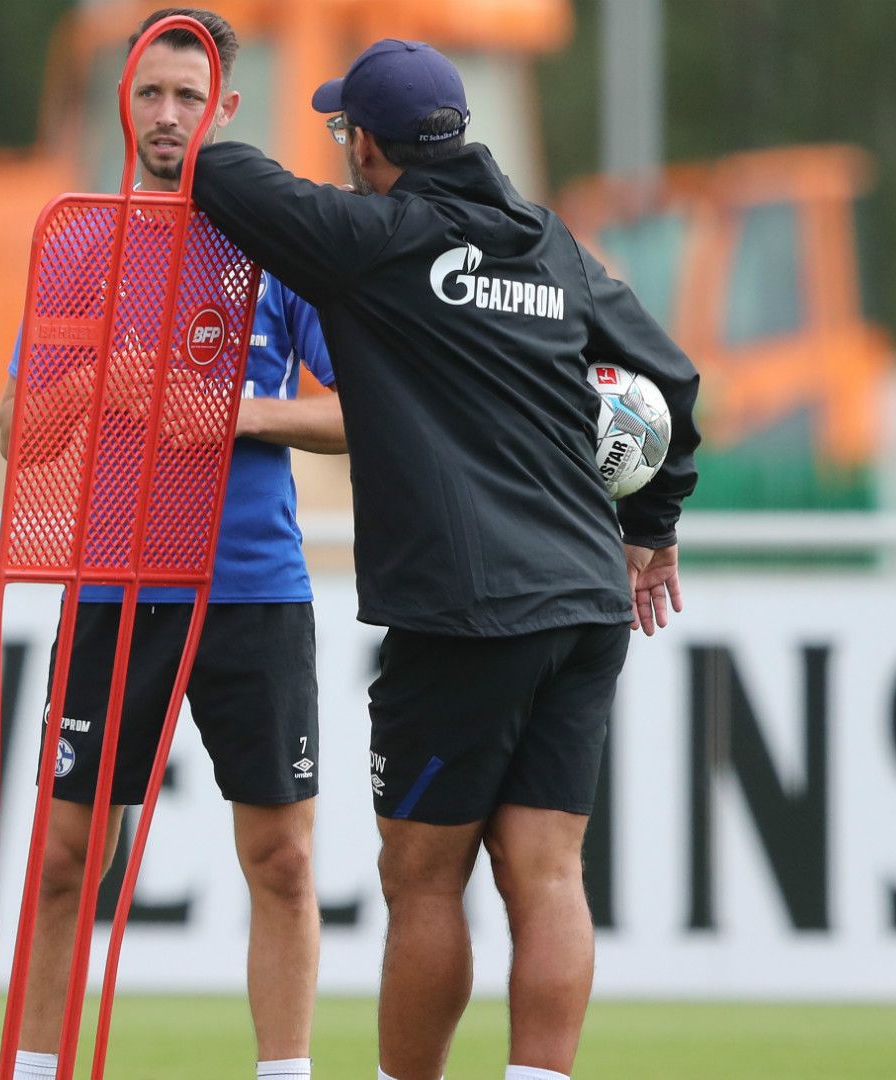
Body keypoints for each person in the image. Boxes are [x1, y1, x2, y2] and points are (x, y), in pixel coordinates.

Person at [189, 38, 701, 1080]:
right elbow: (671, 379)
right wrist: (654, 523)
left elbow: (226, 174)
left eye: (347, 132)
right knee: (549, 873)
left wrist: (180, 118)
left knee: (424, 882)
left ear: (366, 144)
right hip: (585, 605)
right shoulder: (548, 243)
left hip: (464, 615)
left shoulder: (374, 239)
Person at [0, 10, 344, 1080]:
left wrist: (233, 414)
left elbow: (365, 417)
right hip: (112, 586)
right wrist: (95, 379)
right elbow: (23, 438)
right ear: (122, 98)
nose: (168, 115)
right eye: (151, 92)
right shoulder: (81, 242)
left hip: (252, 589)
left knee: (282, 860)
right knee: (67, 861)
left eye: (189, 97)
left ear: (224, 110)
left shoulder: (278, 245)